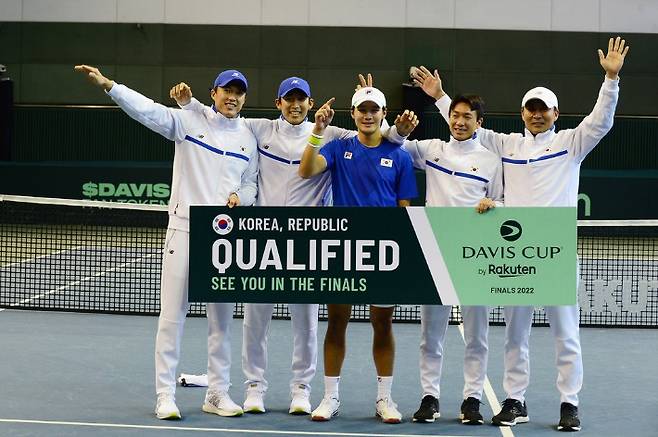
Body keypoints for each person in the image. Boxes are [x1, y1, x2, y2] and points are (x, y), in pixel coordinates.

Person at [412, 36, 630, 432]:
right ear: (522, 112)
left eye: (543, 110)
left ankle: (569, 404)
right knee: (516, 334)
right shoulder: (506, 144)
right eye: (531, 109)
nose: (536, 115)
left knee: (566, 335)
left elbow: (601, 121)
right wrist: (441, 97)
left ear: (555, 113)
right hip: (515, 256)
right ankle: (516, 400)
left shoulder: (571, 143)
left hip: (556, 253)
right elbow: (467, 126)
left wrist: (610, 80)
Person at [171, 75, 412, 416]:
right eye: (289, 99)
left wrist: (397, 130)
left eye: (301, 99)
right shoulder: (258, 129)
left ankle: (301, 390)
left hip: (308, 243)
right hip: (263, 240)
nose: (295, 105)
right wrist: (189, 104)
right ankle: (254, 388)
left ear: (311, 104)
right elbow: (223, 118)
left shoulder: (331, 134)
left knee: (307, 323)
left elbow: (374, 136)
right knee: (255, 321)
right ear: (278, 103)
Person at [75, 65, 258, 420]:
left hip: (222, 238)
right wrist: (110, 86)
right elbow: (148, 111)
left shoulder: (247, 138)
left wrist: (241, 196)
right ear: (214, 93)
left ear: (244, 98)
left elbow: (251, 183)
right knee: (172, 317)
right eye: (226, 90)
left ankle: (218, 393)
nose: (232, 97)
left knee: (222, 320)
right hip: (185, 229)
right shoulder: (187, 122)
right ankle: (165, 395)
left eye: (239, 92)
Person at [298, 86, 419, 423]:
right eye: (361, 110)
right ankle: (330, 397)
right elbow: (306, 171)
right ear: (353, 115)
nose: (368, 115)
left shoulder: (399, 156)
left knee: (383, 323)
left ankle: (384, 399)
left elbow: (403, 208)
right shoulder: (339, 148)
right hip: (343, 249)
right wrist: (317, 131)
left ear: (383, 114)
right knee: (337, 322)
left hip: (383, 251)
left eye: (374, 110)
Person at [400, 94, 503, 425]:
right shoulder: (431, 150)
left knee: (477, 335)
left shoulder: (491, 161)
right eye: (455, 115)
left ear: (479, 123)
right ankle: (430, 397)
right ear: (449, 118)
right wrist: (391, 122)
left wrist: (495, 206)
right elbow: (390, 143)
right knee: (431, 333)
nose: (459, 121)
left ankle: (472, 399)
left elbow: (503, 199)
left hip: (476, 255)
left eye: (467, 117)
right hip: (435, 251)